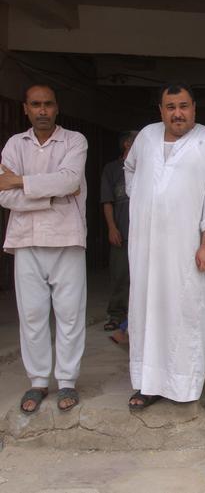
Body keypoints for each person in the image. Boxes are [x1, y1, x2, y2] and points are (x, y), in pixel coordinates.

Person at [124, 83, 205, 409]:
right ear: (160, 110)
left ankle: (185, 385)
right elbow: (130, 168)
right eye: (170, 107)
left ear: (194, 107)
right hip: (145, 245)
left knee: (185, 310)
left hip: (185, 246)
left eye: (183, 106)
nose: (177, 113)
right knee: (145, 308)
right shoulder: (147, 136)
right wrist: (141, 204)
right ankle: (147, 384)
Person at [0, 83, 87, 413]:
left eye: (48, 104)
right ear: (25, 108)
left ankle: (67, 381)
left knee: (69, 314)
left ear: (56, 107)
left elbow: (70, 181)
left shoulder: (74, 141)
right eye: (35, 104)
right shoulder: (14, 145)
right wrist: (51, 196)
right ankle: (38, 381)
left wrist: (21, 182)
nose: (42, 110)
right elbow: (2, 194)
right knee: (32, 315)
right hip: (25, 239)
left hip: (67, 237)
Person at [100, 131, 137, 337]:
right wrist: (112, 228)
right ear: (126, 144)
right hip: (121, 232)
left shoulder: (147, 168)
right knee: (120, 276)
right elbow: (107, 201)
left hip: (144, 233)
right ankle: (116, 315)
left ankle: (137, 318)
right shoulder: (112, 169)